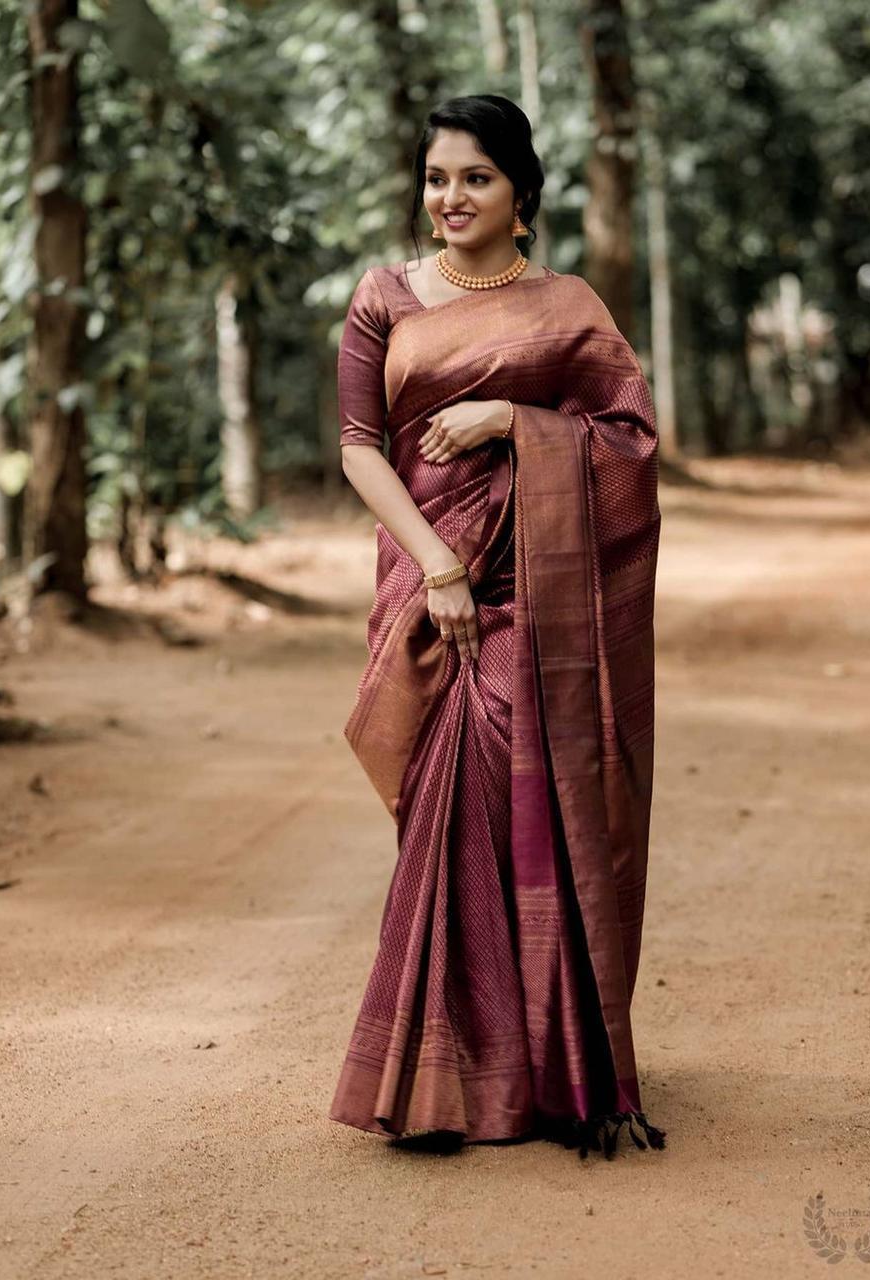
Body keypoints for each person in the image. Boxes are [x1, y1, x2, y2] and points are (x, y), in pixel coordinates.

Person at [329, 93, 665, 1162]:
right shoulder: (382, 298)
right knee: (437, 806)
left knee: (529, 806)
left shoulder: (567, 305)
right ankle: (433, 1074)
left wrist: (515, 422)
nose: (450, 197)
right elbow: (356, 443)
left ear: (521, 192)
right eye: (436, 178)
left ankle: (551, 1065)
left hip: (538, 587)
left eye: (475, 177)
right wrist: (433, 562)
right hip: (427, 581)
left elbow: (628, 437)